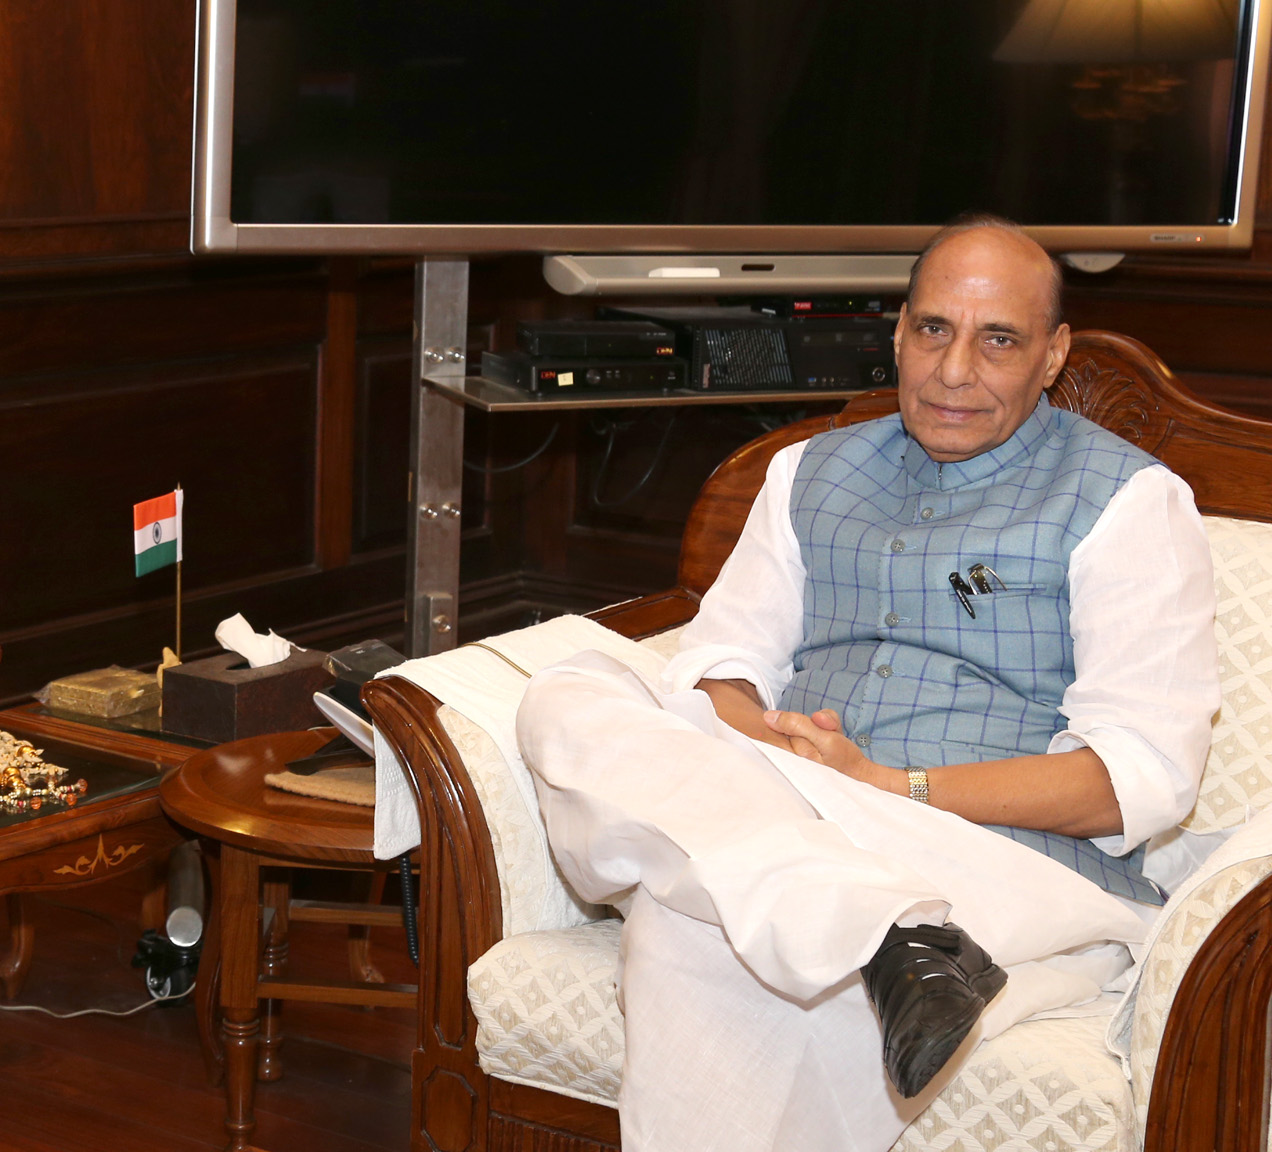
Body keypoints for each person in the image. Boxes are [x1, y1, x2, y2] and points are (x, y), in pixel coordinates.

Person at [515, 215, 1220, 1151]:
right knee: (571, 687)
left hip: (996, 855)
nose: (954, 370)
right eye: (933, 329)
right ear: (897, 330)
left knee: (689, 925)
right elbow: (720, 666)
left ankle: (863, 922)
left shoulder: (1130, 502)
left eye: (997, 340)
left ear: (1053, 357)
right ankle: (887, 936)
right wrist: (773, 753)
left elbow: (1137, 778)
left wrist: (886, 788)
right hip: (803, 814)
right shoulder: (805, 471)